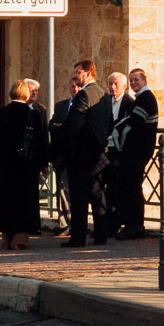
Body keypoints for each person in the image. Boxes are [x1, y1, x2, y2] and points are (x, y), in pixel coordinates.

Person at [60, 59, 110, 247]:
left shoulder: (84, 95)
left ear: (88, 73)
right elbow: (109, 123)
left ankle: (78, 238)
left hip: (81, 156)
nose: (74, 76)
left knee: (79, 199)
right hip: (98, 154)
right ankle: (101, 236)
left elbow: (76, 125)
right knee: (97, 197)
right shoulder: (104, 95)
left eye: (78, 72)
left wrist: (70, 146)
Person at [0, 79, 48, 249]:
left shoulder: (2, 112)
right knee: (24, 202)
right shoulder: (34, 114)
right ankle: (20, 239)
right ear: (25, 93)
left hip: (7, 166)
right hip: (27, 166)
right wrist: (43, 164)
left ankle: (5, 238)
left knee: (7, 201)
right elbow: (41, 142)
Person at [116, 68, 160, 240]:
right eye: (131, 80)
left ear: (144, 81)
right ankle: (133, 224)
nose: (134, 83)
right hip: (138, 150)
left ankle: (134, 226)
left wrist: (117, 124)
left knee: (132, 188)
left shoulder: (146, 98)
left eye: (136, 80)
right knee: (130, 186)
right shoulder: (141, 98)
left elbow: (135, 121)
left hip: (138, 151)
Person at [101, 71, 134, 237]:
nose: (113, 87)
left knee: (118, 188)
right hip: (105, 150)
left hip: (119, 152)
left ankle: (119, 222)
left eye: (116, 84)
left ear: (124, 86)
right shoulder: (105, 100)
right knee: (104, 188)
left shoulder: (129, 102)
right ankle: (107, 225)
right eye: (110, 84)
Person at [47, 77, 80, 235]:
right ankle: (64, 224)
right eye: (73, 86)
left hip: (77, 154)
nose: (75, 89)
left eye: (78, 86)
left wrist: (63, 128)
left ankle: (75, 224)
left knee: (74, 190)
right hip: (61, 155)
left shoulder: (85, 105)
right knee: (62, 188)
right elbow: (52, 125)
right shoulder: (61, 106)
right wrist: (64, 128)